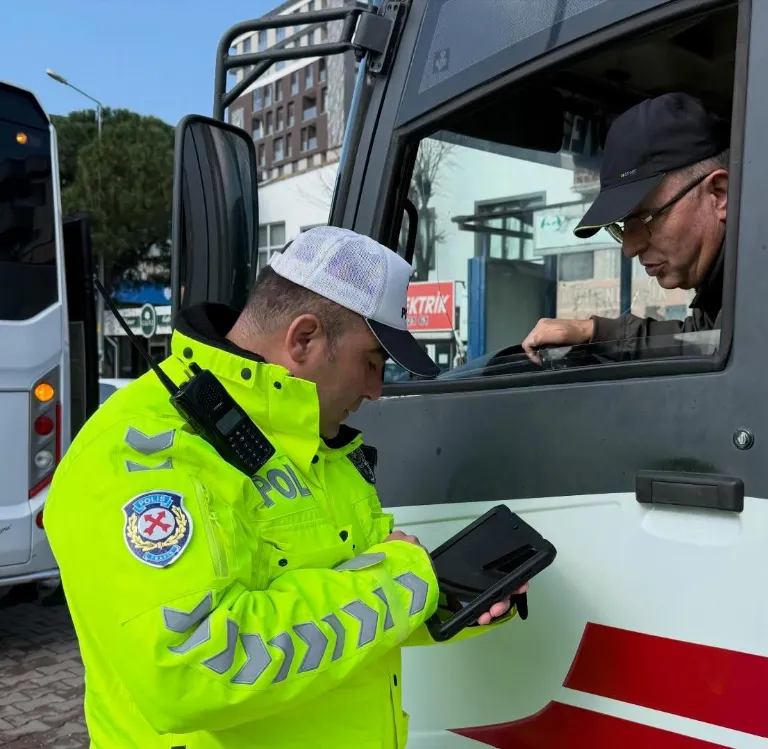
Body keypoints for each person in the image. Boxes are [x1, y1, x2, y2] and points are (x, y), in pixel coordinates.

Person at [44, 226, 525, 748]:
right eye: (371, 361)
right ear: (304, 339)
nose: (376, 390)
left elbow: (339, 617)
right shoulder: (141, 449)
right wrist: (408, 581)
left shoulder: (320, 445)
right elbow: (193, 669)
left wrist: (443, 602)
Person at [520, 92, 768, 365]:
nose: (628, 247)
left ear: (718, 193)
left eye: (642, 218)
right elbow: (699, 341)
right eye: (620, 227)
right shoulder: (752, 271)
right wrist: (594, 331)